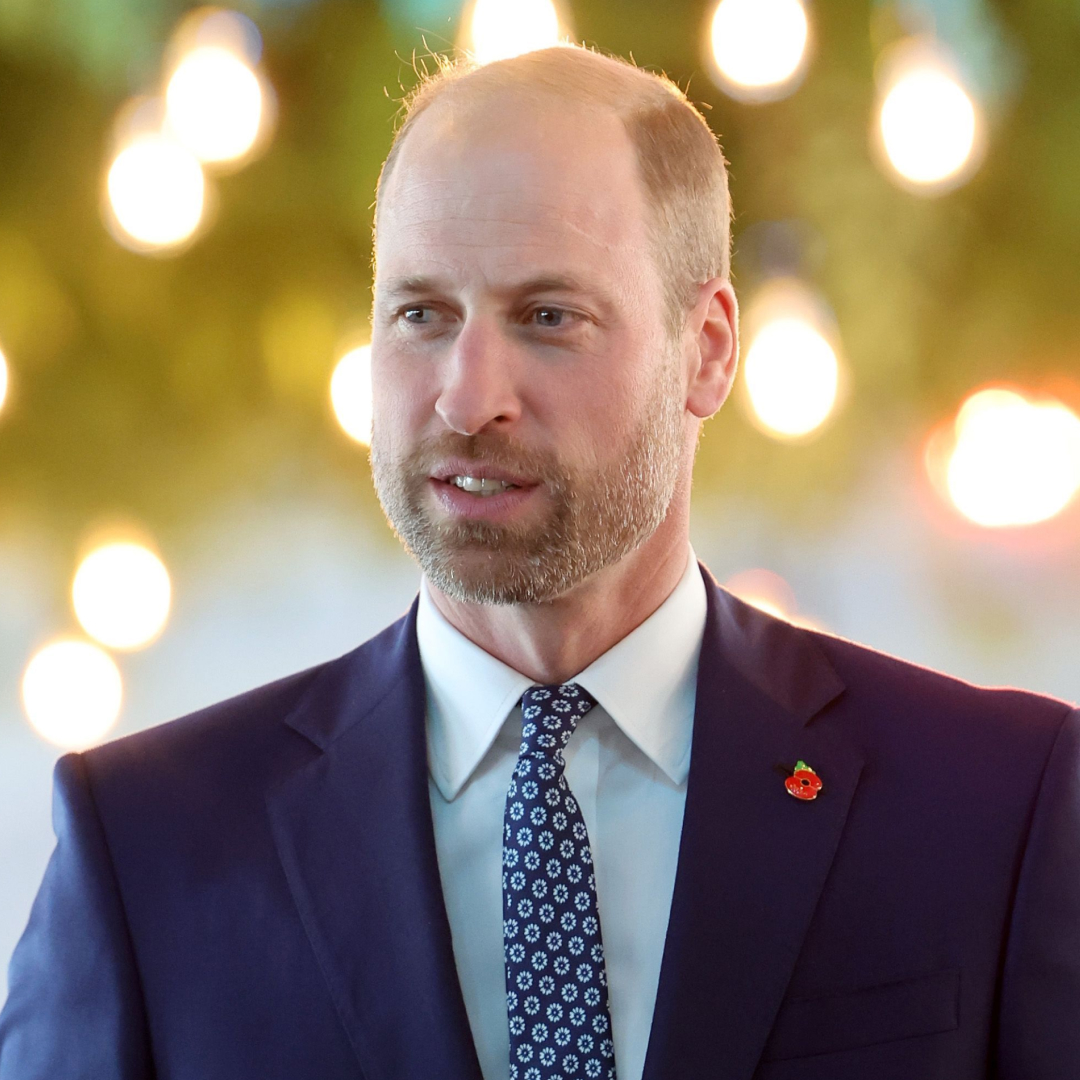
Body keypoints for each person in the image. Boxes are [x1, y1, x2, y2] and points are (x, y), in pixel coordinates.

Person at [1, 44, 1078, 1080]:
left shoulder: (996, 808)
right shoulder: (148, 852)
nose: (470, 398)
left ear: (706, 351)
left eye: (549, 317)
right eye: (421, 314)